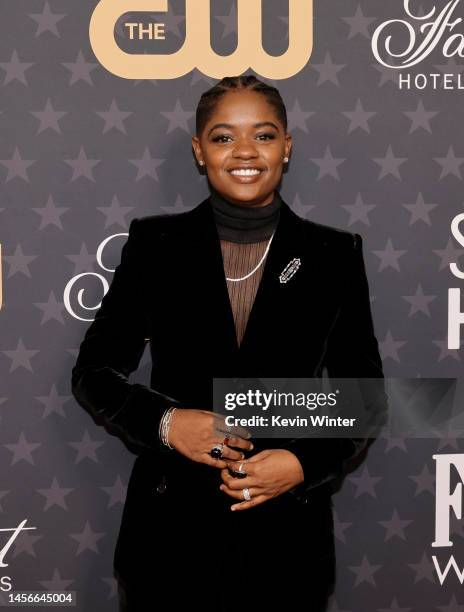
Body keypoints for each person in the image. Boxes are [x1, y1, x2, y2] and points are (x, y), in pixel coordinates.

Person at [71, 75, 387, 611]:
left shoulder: (334, 253)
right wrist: (169, 424)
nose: (244, 151)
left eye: (263, 135)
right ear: (199, 151)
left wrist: (303, 463)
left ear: (287, 146)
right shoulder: (155, 244)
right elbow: (94, 373)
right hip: (168, 541)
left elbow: (367, 397)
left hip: (287, 544)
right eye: (223, 137)